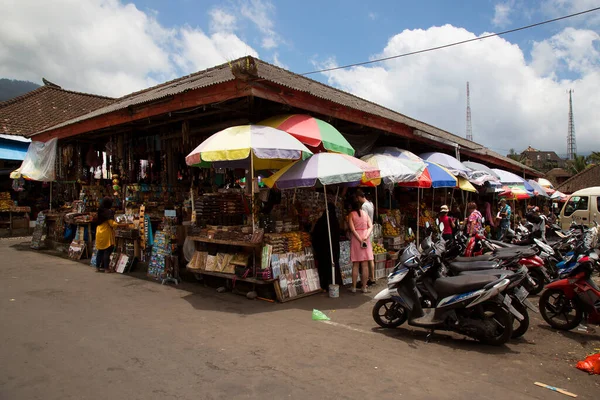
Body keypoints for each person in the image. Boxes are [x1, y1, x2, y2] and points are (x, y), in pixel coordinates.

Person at [311, 202, 342, 290]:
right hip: (334, 248)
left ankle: (325, 284)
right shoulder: (335, 221)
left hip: (323, 249)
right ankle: (334, 282)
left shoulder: (322, 221)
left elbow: (315, 235)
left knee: (324, 266)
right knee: (333, 265)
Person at [347, 197, 373, 293]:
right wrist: (366, 236)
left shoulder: (351, 214)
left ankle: (354, 287)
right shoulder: (365, 214)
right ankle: (364, 287)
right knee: (365, 264)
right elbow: (371, 226)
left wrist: (360, 239)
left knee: (356, 264)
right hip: (365, 239)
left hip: (356, 239)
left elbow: (352, 229)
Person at [356, 189, 376, 284]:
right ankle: (372, 277)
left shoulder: (364, 206)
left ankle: (366, 279)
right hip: (370, 231)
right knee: (370, 257)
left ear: (359, 197)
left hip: (365, 232)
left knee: (365, 258)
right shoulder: (371, 204)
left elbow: (364, 220)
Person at [95, 197, 118, 273]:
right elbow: (112, 223)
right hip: (106, 232)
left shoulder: (100, 210)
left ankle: (97, 267)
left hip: (99, 231)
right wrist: (120, 224)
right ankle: (106, 268)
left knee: (100, 250)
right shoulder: (108, 212)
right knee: (107, 250)